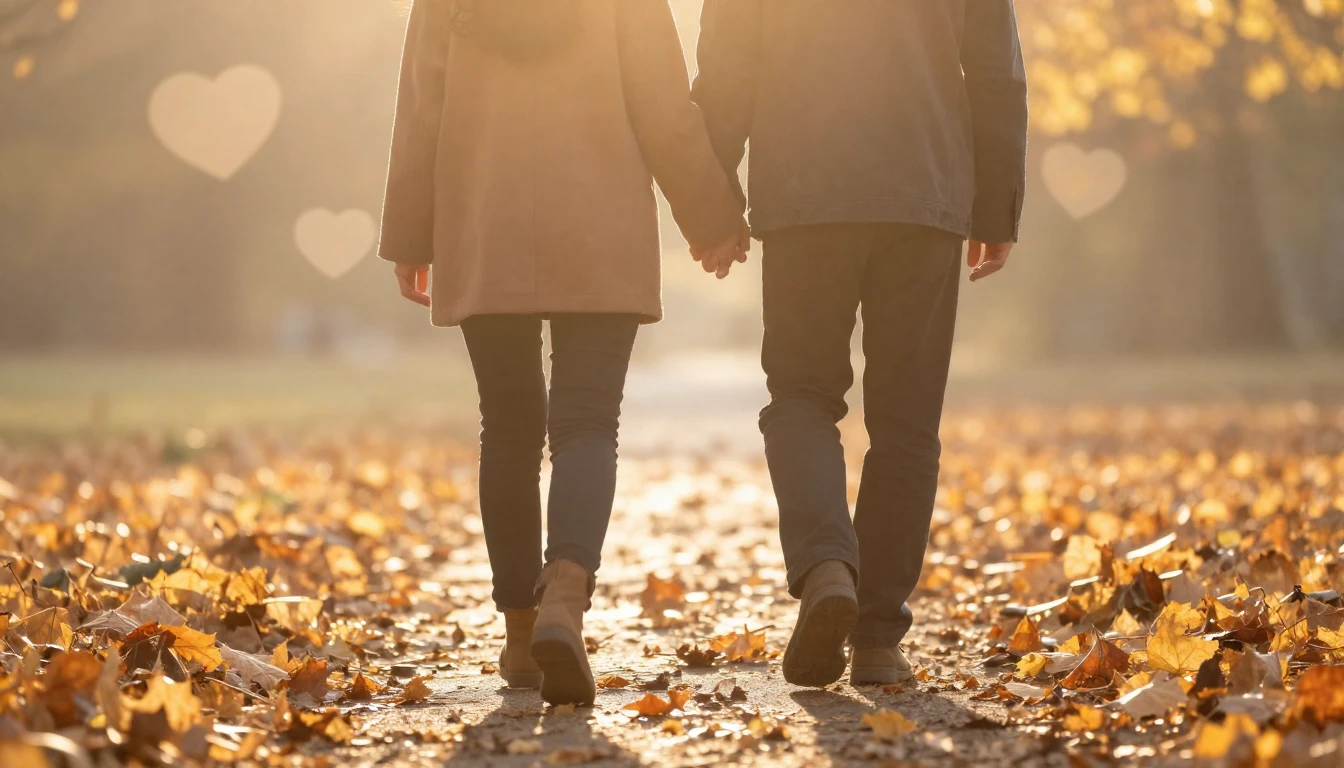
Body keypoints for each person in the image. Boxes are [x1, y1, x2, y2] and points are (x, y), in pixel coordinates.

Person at [380, 0, 748, 706]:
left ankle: (521, 638)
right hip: (600, 223)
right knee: (585, 423)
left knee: (510, 430)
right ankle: (566, 597)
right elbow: (663, 104)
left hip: (486, 222)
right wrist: (712, 217)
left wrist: (412, 235)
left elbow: (422, 106)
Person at [692, 0, 1029, 687]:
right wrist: (996, 204)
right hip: (923, 193)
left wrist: (712, 197)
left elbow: (728, 62)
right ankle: (878, 637)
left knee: (802, 398)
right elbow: (996, 69)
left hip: (804, 191)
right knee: (906, 423)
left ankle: (825, 569)